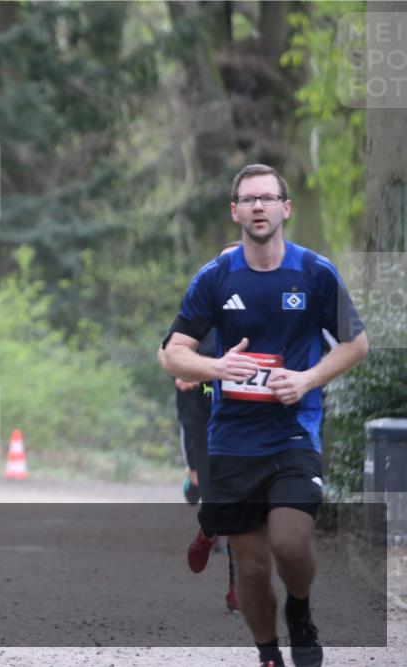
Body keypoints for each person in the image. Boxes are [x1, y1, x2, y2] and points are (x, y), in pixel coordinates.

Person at [159, 164, 368, 667]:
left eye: (268, 198)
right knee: (251, 569)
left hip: (294, 433)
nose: (259, 206)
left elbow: (356, 344)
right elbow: (172, 353)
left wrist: (306, 380)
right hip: (233, 441)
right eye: (249, 199)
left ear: (285, 208)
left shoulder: (315, 273)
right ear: (235, 211)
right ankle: (268, 653)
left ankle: (300, 610)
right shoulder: (215, 278)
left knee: (291, 544)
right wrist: (216, 366)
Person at [162, 242, 242, 613]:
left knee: (245, 504)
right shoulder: (204, 304)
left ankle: (238, 585)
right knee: (215, 502)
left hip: (250, 419)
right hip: (206, 417)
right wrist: (184, 370)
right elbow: (169, 350)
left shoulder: (265, 309)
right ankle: (207, 529)